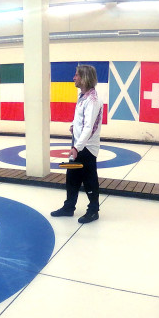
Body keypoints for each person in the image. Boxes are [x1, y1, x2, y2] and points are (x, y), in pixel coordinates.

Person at [50, 65, 103, 224]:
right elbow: (80, 120)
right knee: (72, 177)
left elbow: (89, 127)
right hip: (78, 145)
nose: (74, 78)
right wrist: (74, 126)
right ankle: (69, 207)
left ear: (84, 77)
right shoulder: (83, 97)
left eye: (76, 75)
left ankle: (93, 210)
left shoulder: (93, 100)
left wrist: (76, 147)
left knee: (89, 179)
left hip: (86, 148)